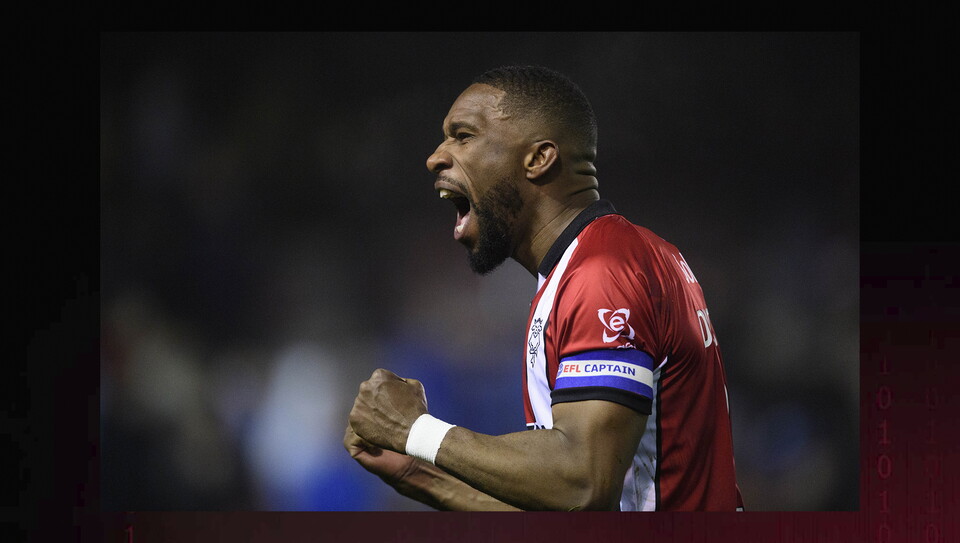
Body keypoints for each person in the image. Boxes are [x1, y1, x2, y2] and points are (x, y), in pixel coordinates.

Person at [344, 65, 744, 511]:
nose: (436, 157)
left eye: (462, 136)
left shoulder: (603, 272)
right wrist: (417, 472)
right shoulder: (603, 261)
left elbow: (583, 482)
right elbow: (568, 504)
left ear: (538, 158)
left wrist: (415, 430)